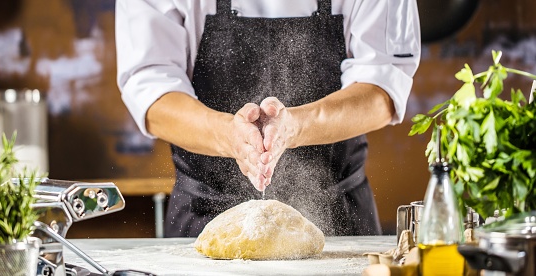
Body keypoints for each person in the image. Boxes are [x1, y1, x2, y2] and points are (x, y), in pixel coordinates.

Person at [115, 0, 421, 237]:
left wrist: (295, 127)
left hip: (339, 216)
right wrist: (229, 136)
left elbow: (383, 84)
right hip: (203, 218)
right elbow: (150, 85)